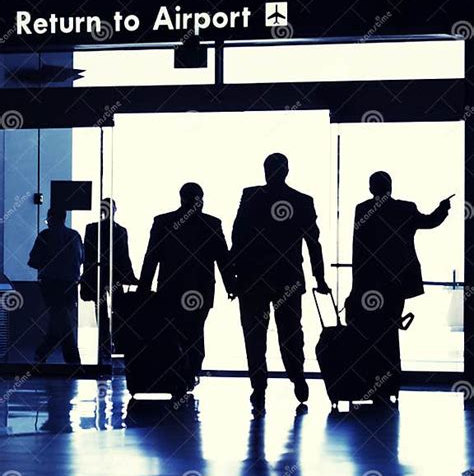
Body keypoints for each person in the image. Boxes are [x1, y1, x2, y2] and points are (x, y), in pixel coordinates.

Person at [231, 153, 331, 412]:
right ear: (287, 171)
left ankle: (259, 387)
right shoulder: (302, 201)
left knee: (254, 335)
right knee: (291, 332)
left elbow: (238, 237)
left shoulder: (251, 196)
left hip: (253, 278)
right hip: (288, 277)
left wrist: (232, 277)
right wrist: (319, 277)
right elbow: (313, 243)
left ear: (265, 170)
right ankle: (297, 376)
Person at [348, 171, 451, 401]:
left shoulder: (362, 210)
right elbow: (429, 221)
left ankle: (372, 383)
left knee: (371, 332)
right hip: (397, 283)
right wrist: (443, 208)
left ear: (371, 188)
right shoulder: (405, 209)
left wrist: (355, 286)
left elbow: (358, 250)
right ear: (390, 188)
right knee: (390, 331)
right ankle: (391, 385)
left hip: (369, 284)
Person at [138, 183, 235, 390]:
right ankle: (190, 374)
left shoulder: (163, 222)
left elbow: (152, 257)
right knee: (196, 331)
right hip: (201, 289)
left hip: (170, 288)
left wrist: (143, 289)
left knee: (172, 333)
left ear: (181, 198)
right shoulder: (211, 223)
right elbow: (223, 259)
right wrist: (231, 286)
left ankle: (178, 376)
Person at [82, 198, 137, 365]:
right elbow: (122, 256)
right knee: (113, 310)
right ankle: (110, 342)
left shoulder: (93, 229)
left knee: (108, 310)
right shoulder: (119, 231)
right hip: (112, 274)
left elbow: (89, 255)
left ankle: (107, 342)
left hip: (106, 274)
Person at [28, 207, 83, 365]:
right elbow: (81, 258)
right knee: (62, 319)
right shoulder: (74, 236)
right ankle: (67, 358)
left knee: (59, 320)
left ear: (51, 218)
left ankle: (66, 358)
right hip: (70, 284)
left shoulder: (45, 236)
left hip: (50, 284)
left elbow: (33, 261)